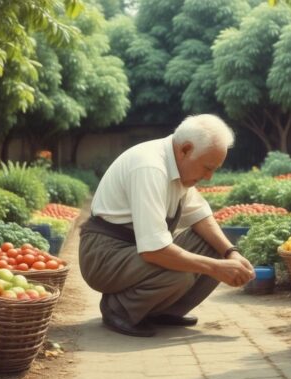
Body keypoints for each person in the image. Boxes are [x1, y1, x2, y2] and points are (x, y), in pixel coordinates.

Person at [79, 114, 255, 337]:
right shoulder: (150, 167)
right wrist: (215, 268)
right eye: (207, 168)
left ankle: (160, 310)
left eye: (214, 170)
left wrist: (231, 254)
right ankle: (120, 309)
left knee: (215, 248)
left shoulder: (178, 165)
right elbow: (155, 250)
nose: (209, 177)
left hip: (135, 252)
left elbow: (200, 215)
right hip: (104, 255)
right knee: (180, 274)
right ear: (185, 150)